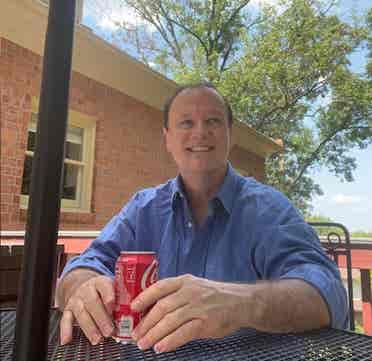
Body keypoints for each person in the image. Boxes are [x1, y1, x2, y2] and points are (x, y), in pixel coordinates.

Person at [56, 82, 348, 354]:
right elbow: (85, 265)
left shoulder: (268, 209)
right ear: (167, 139)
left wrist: (240, 303)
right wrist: (82, 286)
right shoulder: (142, 208)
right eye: (186, 123)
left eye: (213, 121)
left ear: (230, 135)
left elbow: (327, 294)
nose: (200, 133)